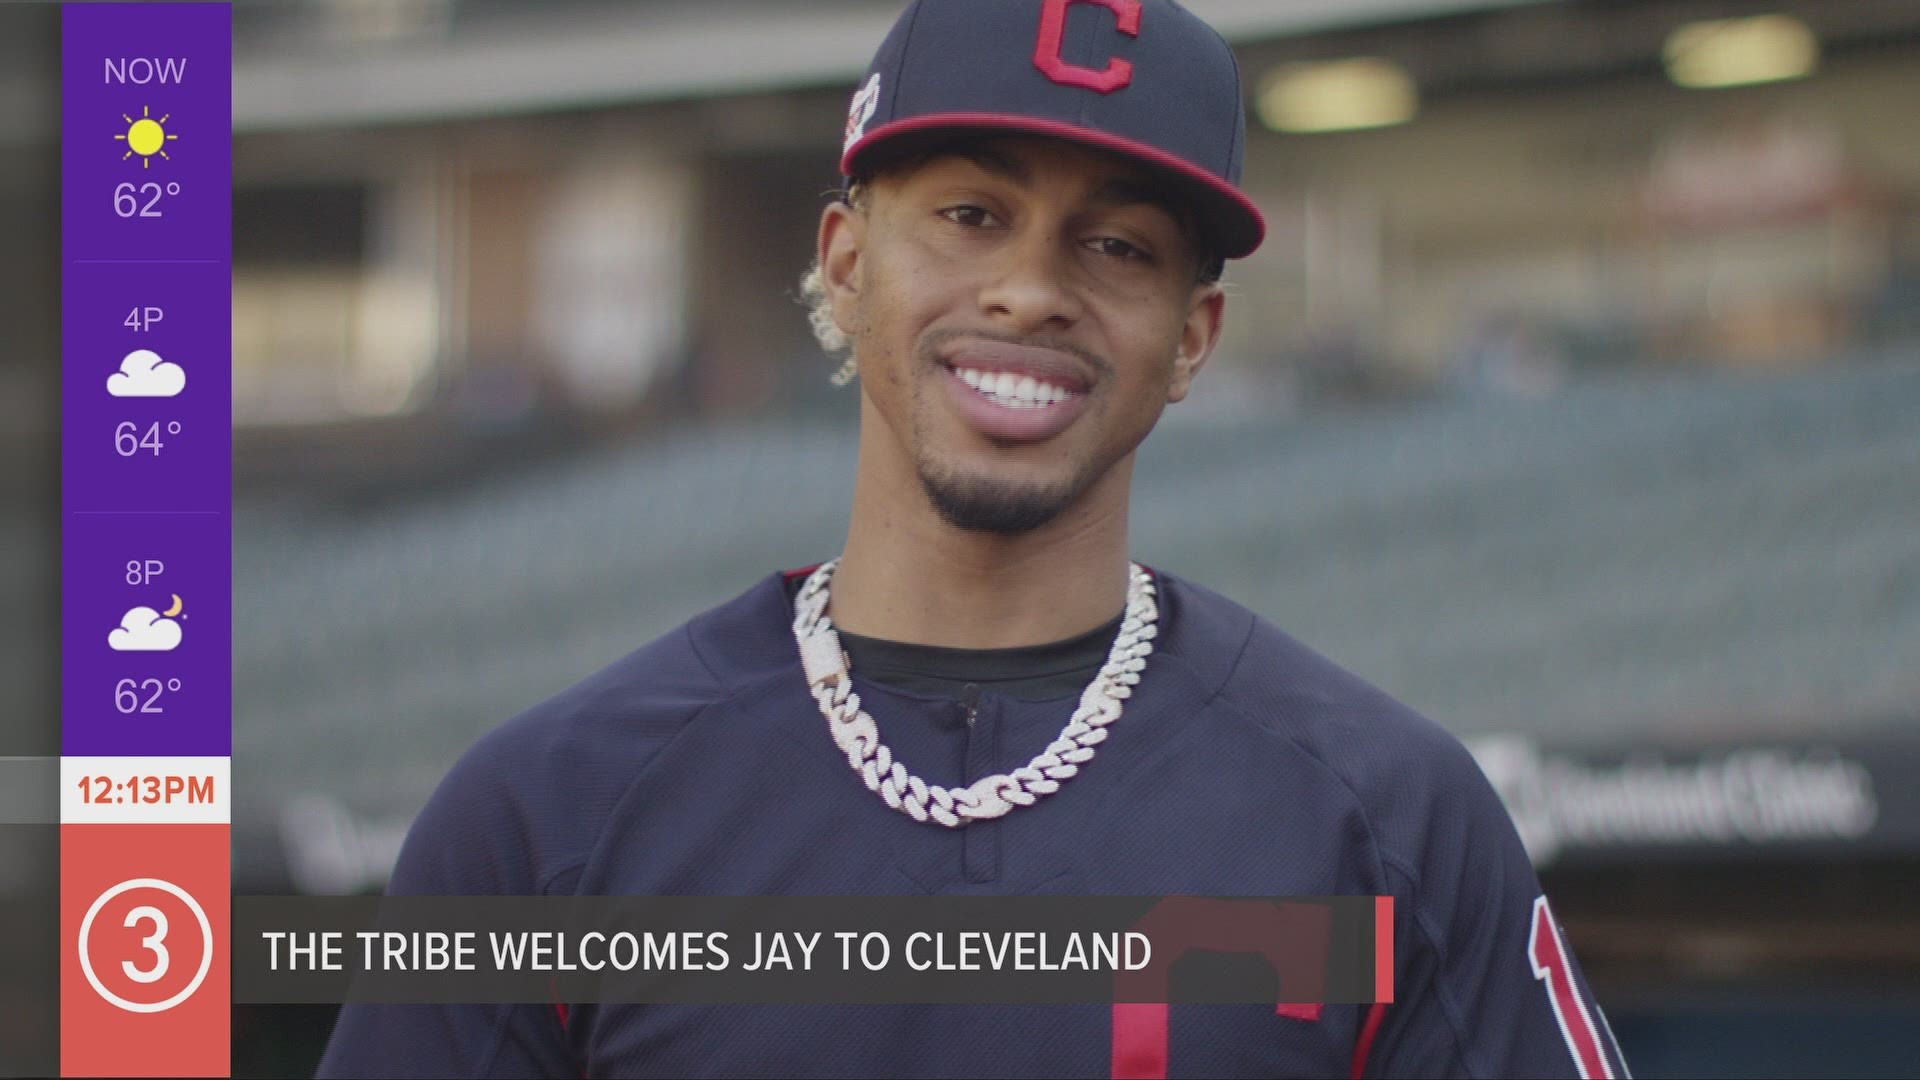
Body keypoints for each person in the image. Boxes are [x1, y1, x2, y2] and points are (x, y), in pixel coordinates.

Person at [318, 1, 1631, 1076]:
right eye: (969, 215)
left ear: (1191, 338)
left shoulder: (1384, 820)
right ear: (844, 263)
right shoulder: (552, 818)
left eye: (1116, 244)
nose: (1030, 288)